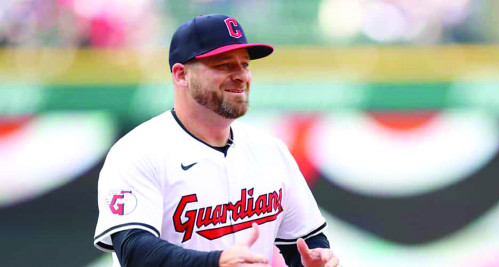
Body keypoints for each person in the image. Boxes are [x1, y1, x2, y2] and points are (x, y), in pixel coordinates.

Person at [93, 14, 340, 267]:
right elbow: (135, 252)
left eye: (244, 65)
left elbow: (307, 241)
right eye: (223, 65)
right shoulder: (137, 151)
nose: (241, 75)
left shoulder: (271, 151)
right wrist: (216, 263)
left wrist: (315, 260)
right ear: (180, 75)